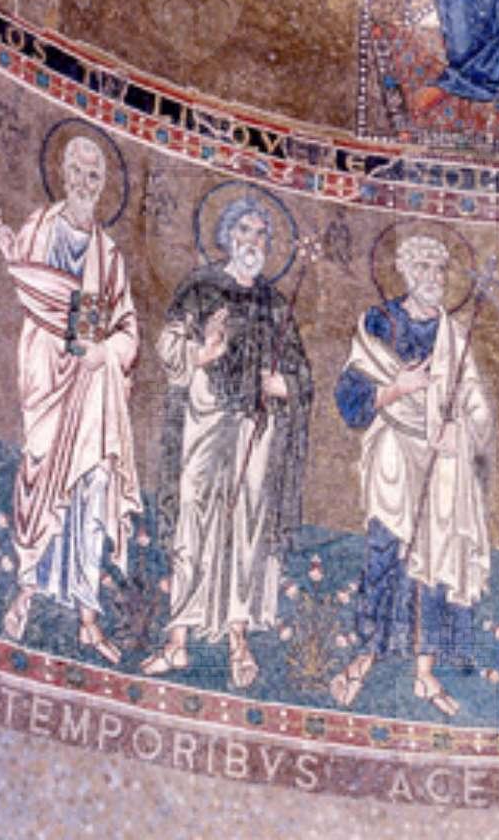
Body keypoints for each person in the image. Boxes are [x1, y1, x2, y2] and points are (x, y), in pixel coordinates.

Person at [145, 195, 313, 687]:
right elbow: (168, 346)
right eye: (243, 231)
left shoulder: (275, 304)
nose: (252, 242)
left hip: (254, 427)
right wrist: (203, 352)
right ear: (226, 236)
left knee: (247, 524)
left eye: (261, 234)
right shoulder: (201, 287)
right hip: (205, 417)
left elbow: (302, 373)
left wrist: (283, 385)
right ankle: (178, 637)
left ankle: (238, 636)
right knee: (194, 514)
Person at [0, 132, 141, 663]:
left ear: (103, 186)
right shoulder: (39, 228)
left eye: (94, 175)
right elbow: (29, 287)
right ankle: (27, 589)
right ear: (61, 172)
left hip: (92, 387)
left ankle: (86, 617)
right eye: (77, 171)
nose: (84, 182)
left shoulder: (109, 254)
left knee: (90, 489)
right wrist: (14, 259)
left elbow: (128, 331)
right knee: (39, 475)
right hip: (45, 374)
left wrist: (105, 352)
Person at [331, 235, 492, 717]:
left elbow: (476, 404)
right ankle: (365, 656)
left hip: (442, 463)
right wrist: (398, 388)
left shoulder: (454, 335)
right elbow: (350, 398)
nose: (432, 277)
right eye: (422, 266)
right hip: (394, 457)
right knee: (386, 552)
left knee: (437, 563)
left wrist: (460, 431)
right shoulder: (379, 322)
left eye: (439, 268)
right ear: (403, 270)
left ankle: (425, 672)